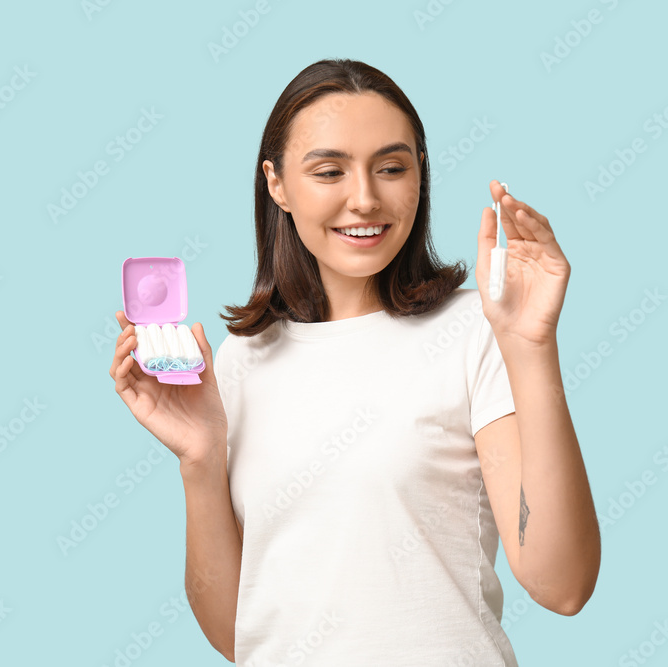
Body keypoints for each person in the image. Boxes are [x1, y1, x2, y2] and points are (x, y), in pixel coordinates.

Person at [110, 58, 600, 666]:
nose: (365, 200)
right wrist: (200, 459)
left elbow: (563, 585)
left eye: (392, 168)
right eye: (329, 171)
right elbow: (239, 637)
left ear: (420, 175)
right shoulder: (241, 362)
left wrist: (531, 350)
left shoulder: (476, 331)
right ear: (278, 183)